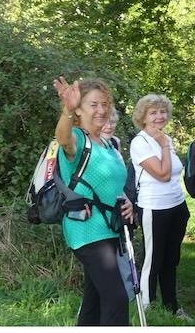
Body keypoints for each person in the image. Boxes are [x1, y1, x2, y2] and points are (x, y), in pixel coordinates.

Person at [52, 76, 134, 325]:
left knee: (94, 299)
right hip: (87, 230)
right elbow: (62, 139)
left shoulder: (108, 144)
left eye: (104, 104)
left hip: (109, 229)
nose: (101, 110)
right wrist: (67, 111)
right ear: (78, 109)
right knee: (117, 298)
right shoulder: (78, 139)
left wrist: (127, 202)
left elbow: (113, 186)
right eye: (93, 104)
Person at [129, 93, 192, 320]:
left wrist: (166, 143)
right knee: (153, 259)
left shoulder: (167, 139)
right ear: (143, 117)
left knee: (171, 259)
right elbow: (163, 174)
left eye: (162, 112)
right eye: (153, 113)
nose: (159, 117)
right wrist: (164, 146)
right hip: (154, 208)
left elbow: (175, 172)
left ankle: (171, 306)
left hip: (177, 206)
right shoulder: (140, 142)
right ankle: (146, 309)